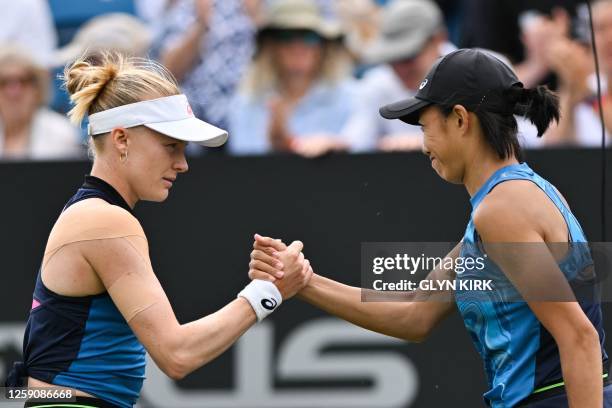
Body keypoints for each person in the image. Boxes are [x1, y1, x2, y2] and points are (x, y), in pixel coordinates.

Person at [249, 49, 611, 407]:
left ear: (459, 119)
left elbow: (579, 336)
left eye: (426, 128)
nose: (424, 147)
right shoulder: (508, 201)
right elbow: (415, 313)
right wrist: (303, 281)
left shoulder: (502, 209)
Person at [5, 52, 311, 408]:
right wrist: (269, 290)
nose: (182, 164)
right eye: (170, 147)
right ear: (121, 139)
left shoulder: (96, 214)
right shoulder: (106, 221)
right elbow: (177, 355)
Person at [227, 0, 357, 157]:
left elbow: (363, 145)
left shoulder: (351, 96)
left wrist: (334, 144)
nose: (298, 46)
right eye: (286, 36)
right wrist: (278, 144)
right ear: (271, 46)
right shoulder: (247, 102)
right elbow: (244, 163)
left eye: (309, 37)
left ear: (323, 46)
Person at [340, 0, 456, 152]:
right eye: (391, 58)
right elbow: (356, 143)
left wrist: (425, 142)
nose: (400, 69)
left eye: (408, 57)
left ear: (438, 40)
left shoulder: (482, 75)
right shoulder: (377, 83)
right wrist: (334, 146)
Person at [0, 45, 82, 160]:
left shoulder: (61, 133)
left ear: (37, 89)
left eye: (23, 82)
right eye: (4, 82)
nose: (13, 93)